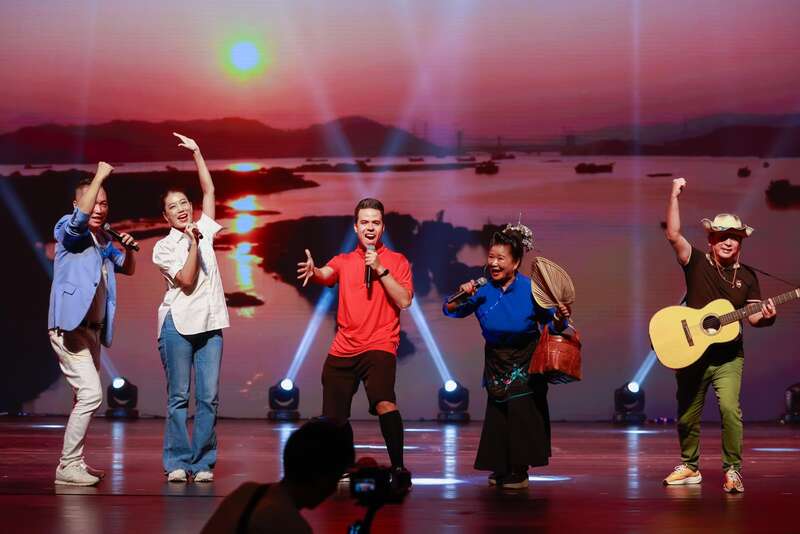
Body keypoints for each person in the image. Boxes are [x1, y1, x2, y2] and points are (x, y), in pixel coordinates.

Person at [662, 177, 776, 493]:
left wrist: (767, 318)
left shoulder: (748, 277)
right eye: (722, 236)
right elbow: (673, 235)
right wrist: (674, 195)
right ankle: (690, 466)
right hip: (692, 354)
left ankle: (733, 470)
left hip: (728, 357)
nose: (728, 242)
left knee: (729, 410)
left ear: (741, 243)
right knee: (687, 415)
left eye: (734, 238)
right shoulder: (696, 262)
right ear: (711, 239)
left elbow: (753, 317)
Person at [443, 223, 569, 489]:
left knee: (521, 412)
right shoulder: (482, 289)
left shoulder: (531, 289)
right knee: (498, 411)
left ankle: (519, 471)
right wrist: (462, 294)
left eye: (501, 258)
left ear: (516, 262)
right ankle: (501, 466)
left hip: (526, 357)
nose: (494, 263)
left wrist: (560, 317)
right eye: (491, 257)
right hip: (496, 359)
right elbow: (450, 310)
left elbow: (554, 324)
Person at [296, 198, 413, 478]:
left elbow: (404, 300)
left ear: (383, 227)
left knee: (384, 401)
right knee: (333, 417)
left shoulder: (397, 261)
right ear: (356, 227)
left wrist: (380, 268)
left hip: (380, 344)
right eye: (364, 222)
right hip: (344, 346)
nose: (370, 227)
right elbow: (325, 274)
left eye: (375, 222)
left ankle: (398, 467)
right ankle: (344, 466)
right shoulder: (344, 260)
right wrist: (313, 271)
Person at [48, 162, 138, 486]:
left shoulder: (102, 241)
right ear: (78, 204)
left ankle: (76, 462)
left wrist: (128, 249)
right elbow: (78, 223)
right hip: (69, 328)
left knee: (82, 398)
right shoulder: (68, 228)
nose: (99, 208)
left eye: (104, 203)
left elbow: (127, 268)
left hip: (92, 331)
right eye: (94, 202)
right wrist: (100, 175)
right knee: (91, 395)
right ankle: (67, 466)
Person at [152, 133, 229, 483]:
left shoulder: (204, 229)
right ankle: (177, 462)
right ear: (165, 216)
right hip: (177, 325)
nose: (181, 209)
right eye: (173, 206)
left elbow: (209, 190)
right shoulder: (164, 247)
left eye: (184, 202)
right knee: (179, 397)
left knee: (209, 397)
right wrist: (194, 244)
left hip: (210, 324)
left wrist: (197, 152)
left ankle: (203, 462)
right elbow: (185, 280)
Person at [200, 419, 355, 534]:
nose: (332, 490)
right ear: (322, 478)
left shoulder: (246, 493)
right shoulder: (291, 525)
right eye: (335, 479)